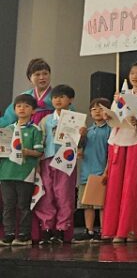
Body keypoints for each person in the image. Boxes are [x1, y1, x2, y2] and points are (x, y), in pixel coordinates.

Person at [102, 62, 137, 243]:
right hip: (117, 140)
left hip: (136, 140)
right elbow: (115, 116)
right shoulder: (122, 94)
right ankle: (111, 227)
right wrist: (109, 115)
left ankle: (128, 229)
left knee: (131, 186)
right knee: (115, 186)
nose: (135, 76)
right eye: (132, 73)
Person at [36, 85, 82, 245]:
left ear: (70, 100)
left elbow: (81, 143)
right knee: (46, 193)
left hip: (66, 159)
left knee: (64, 193)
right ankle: (47, 228)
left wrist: (82, 135)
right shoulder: (46, 120)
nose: (58, 100)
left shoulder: (76, 119)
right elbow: (40, 140)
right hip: (47, 158)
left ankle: (63, 229)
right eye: (55, 97)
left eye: (62, 97)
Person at [0, 94, 43, 246]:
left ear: (33, 110)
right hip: (6, 173)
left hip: (25, 173)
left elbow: (39, 152)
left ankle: (25, 235)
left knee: (23, 206)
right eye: (19, 106)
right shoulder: (6, 130)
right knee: (8, 205)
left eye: (26, 106)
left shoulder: (35, 130)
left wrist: (27, 152)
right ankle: (9, 233)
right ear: (14, 109)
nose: (22, 109)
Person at [72, 98, 111, 243]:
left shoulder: (110, 129)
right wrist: (80, 136)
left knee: (101, 204)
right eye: (94, 109)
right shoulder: (87, 130)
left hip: (102, 171)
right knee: (87, 204)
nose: (97, 111)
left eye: (101, 108)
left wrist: (107, 170)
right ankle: (89, 230)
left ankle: (104, 230)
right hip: (86, 172)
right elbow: (79, 151)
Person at [0, 58, 54, 127]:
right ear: (30, 78)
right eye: (37, 74)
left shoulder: (57, 95)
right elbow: (8, 119)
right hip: (27, 133)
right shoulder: (24, 96)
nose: (42, 77)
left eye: (45, 73)